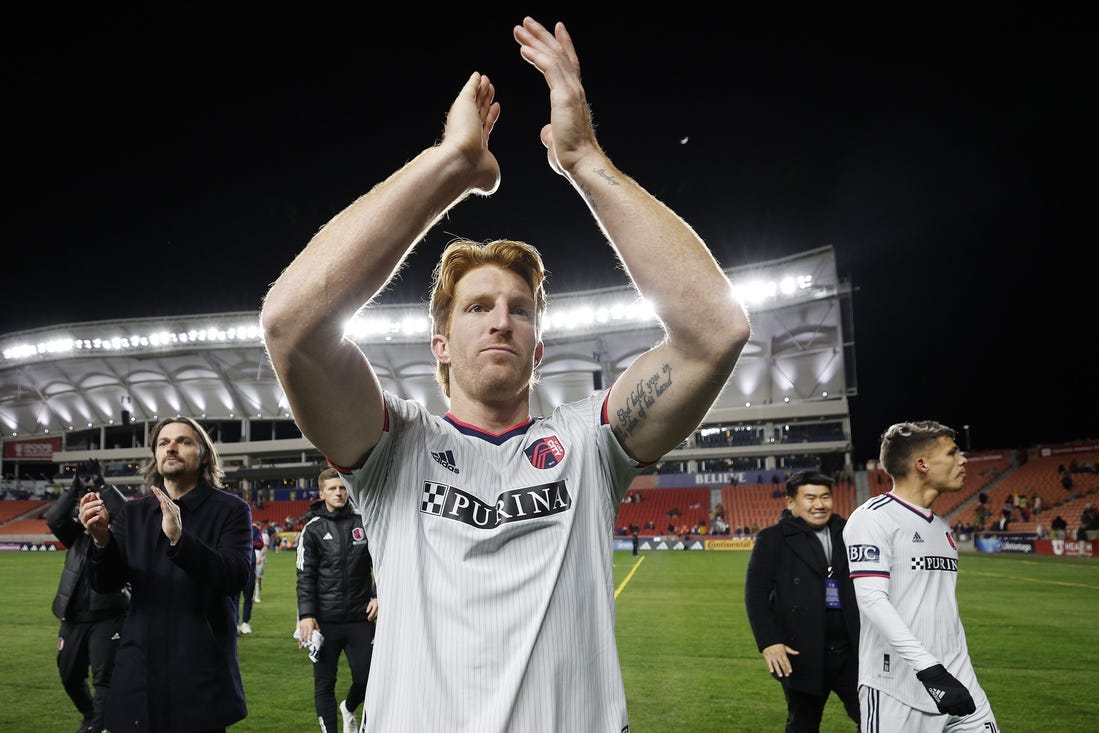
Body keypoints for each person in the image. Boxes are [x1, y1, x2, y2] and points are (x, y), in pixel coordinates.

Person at [260, 16, 750, 732]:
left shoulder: (586, 445)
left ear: (539, 349)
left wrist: (584, 158)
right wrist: (451, 163)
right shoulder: (395, 449)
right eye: (478, 307)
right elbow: (289, 325)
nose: (501, 320)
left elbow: (717, 329)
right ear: (440, 345)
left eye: (520, 310)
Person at [78, 417, 253, 733]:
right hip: (139, 671)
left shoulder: (231, 510)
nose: (171, 447)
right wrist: (101, 540)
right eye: (163, 442)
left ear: (203, 456)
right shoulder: (134, 512)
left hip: (200, 672)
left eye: (183, 441)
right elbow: (105, 584)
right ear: (155, 457)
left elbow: (236, 576)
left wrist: (180, 541)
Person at [844, 421, 999, 731]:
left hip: (960, 682)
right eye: (953, 453)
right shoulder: (872, 518)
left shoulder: (942, 529)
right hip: (897, 690)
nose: (963, 460)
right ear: (922, 464)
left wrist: (949, 672)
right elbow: (872, 600)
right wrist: (930, 671)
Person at [745, 470, 860, 731]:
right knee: (803, 725)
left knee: (877, 720)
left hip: (853, 652)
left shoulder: (850, 531)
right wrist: (769, 641)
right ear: (791, 503)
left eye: (825, 497)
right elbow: (756, 595)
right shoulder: (772, 539)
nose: (819, 505)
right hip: (802, 655)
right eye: (810, 497)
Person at [46, 460, 130, 733]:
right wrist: (74, 489)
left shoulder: (119, 532)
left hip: (109, 614)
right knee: (69, 675)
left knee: (105, 678)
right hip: (72, 615)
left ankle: (98, 726)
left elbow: (126, 514)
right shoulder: (76, 535)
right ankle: (91, 716)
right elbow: (54, 519)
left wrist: (104, 486)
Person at [296, 467, 379, 733]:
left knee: (368, 679)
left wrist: (378, 595)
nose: (339, 492)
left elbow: (385, 560)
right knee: (324, 684)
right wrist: (306, 615)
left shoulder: (364, 521)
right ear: (322, 493)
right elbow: (304, 575)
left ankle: (349, 707)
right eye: (332, 488)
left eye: (342, 487)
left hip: (360, 617)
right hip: (324, 621)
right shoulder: (312, 529)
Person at [238, 520, 267, 634]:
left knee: (248, 596)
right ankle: (235, 623)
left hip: (249, 566)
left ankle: (245, 622)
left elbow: (260, 544)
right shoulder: (229, 526)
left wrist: (244, 541)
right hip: (234, 565)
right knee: (233, 597)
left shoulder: (253, 529)